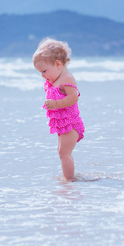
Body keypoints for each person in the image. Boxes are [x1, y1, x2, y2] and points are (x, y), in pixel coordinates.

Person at [33, 37, 85, 181]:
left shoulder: (67, 78)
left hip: (71, 123)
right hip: (63, 123)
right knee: (61, 151)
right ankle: (69, 177)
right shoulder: (55, 78)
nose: (43, 76)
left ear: (58, 64)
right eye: (40, 73)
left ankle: (70, 181)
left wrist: (56, 104)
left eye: (44, 71)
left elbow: (73, 97)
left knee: (64, 153)